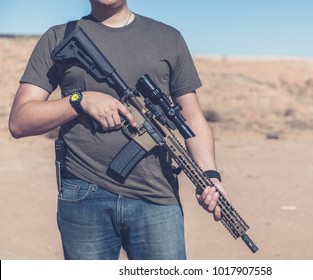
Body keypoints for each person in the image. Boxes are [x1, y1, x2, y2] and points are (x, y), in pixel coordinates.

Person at [9, 0, 228, 260]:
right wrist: (80, 101)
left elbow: (192, 118)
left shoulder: (168, 38)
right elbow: (20, 121)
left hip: (157, 197)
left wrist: (210, 177)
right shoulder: (59, 37)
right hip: (84, 195)